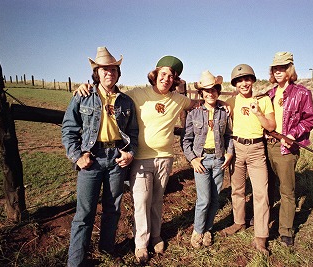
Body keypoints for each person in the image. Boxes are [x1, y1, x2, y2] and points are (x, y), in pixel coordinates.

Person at [75, 55, 226, 263]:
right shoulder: (137, 94)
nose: (166, 78)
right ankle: (140, 243)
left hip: (165, 158)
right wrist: (87, 87)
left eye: (171, 76)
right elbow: (110, 94)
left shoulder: (178, 99)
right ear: (155, 75)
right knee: (141, 201)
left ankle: (156, 236)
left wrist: (223, 102)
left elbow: (200, 102)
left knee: (156, 200)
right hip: (140, 158)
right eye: (163, 74)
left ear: (174, 80)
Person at [62, 46, 139, 266]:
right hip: (91, 159)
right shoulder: (83, 96)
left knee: (113, 208)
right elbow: (68, 129)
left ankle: (106, 250)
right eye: (104, 70)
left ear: (118, 73)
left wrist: (130, 152)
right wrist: (77, 156)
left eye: (113, 69)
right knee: (84, 213)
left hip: (116, 158)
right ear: (97, 73)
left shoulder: (125, 101)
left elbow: (133, 133)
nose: (109, 73)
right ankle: (75, 261)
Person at [221, 64, 276, 255]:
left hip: (256, 149)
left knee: (261, 192)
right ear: (235, 84)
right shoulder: (230, 102)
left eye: (247, 79)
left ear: (252, 80)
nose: (243, 83)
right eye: (239, 81)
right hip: (236, 148)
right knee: (237, 189)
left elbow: (271, 126)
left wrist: (258, 112)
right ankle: (239, 222)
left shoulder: (264, 100)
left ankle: (261, 237)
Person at [265, 52, 313, 247]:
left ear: (290, 69)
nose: (278, 71)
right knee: (267, 186)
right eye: (275, 68)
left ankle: (286, 230)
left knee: (286, 190)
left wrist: (293, 135)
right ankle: (265, 219)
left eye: (282, 68)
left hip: (285, 148)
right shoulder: (269, 93)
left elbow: (310, 119)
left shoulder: (302, 93)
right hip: (266, 145)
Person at [182, 70, 234, 248]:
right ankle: (198, 230)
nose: (210, 93)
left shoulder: (224, 112)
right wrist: (193, 159)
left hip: (219, 159)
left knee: (215, 197)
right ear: (201, 93)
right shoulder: (194, 114)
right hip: (201, 160)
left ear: (218, 91)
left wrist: (229, 153)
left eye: (213, 90)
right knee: (203, 199)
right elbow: (186, 140)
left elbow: (229, 135)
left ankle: (208, 229)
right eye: (206, 90)